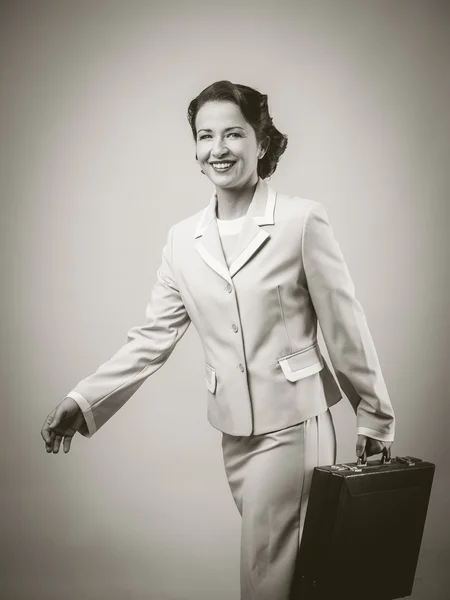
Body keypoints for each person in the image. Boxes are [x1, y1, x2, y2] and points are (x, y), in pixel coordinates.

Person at [41, 80, 395, 600]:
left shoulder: (300, 220)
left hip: (294, 424)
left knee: (268, 568)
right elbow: (152, 338)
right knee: (281, 569)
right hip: (232, 430)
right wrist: (84, 399)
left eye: (233, 134)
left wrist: (375, 414)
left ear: (261, 141)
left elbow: (344, 324)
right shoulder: (183, 241)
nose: (218, 149)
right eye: (205, 136)